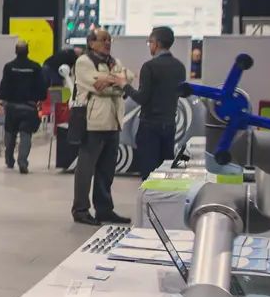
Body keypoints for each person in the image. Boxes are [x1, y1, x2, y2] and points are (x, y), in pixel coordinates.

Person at [71, 27, 135, 226]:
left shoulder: (114, 62)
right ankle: (80, 210)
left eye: (109, 39)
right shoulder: (84, 62)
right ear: (91, 43)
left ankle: (104, 210)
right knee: (86, 169)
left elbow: (129, 76)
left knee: (106, 171)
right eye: (103, 39)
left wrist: (111, 81)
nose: (107, 43)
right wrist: (119, 82)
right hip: (93, 123)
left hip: (113, 123)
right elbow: (97, 87)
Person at [126, 26, 188, 180]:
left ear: (156, 43)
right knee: (165, 173)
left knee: (149, 173)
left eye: (150, 42)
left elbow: (142, 98)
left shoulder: (149, 67)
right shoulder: (179, 67)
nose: (149, 46)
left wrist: (125, 86)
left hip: (149, 126)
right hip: (169, 125)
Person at [0, 40, 46, 173]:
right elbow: (42, 88)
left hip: (12, 107)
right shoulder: (35, 67)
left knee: (10, 133)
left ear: (15, 51)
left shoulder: (9, 67)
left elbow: (4, 85)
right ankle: (22, 161)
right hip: (29, 107)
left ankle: (9, 159)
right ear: (28, 51)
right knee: (25, 135)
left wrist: (0, 102)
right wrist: (40, 101)